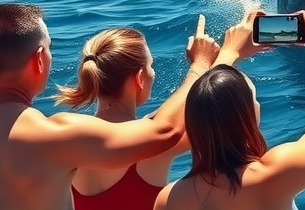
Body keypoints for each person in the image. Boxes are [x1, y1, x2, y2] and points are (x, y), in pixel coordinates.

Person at [154, 0, 305, 210]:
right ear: (248, 114)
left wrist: (229, 51)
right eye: (254, 98)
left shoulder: (169, 199)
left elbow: (210, 101)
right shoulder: (272, 175)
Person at [60, 12, 261, 210]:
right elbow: (208, 108)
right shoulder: (153, 145)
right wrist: (228, 52)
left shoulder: (69, 145)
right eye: (150, 65)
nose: (152, 72)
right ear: (140, 78)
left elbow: (167, 118)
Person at [0, 3, 182, 210]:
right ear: (39, 59)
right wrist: (200, 65)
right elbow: (166, 131)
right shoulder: (52, 134)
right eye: (50, 47)